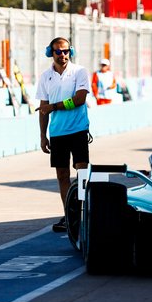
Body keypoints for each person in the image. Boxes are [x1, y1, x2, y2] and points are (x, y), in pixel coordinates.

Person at [36, 37, 91, 232]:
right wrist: (43, 136)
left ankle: (85, 212)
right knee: (62, 175)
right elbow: (43, 109)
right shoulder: (45, 77)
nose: (63, 55)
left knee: (82, 172)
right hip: (57, 133)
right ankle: (70, 215)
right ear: (51, 53)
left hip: (78, 129)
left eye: (66, 51)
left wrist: (55, 106)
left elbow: (79, 100)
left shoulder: (80, 72)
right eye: (58, 52)